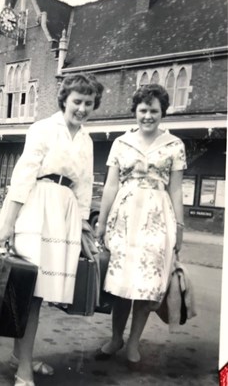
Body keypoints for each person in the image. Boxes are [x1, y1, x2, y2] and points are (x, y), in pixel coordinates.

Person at [0, 73, 104, 386]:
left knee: (40, 294)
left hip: (65, 212)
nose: (82, 108)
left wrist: (84, 226)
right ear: (65, 100)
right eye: (77, 101)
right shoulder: (43, 128)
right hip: (35, 205)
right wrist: (8, 221)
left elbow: (84, 185)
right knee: (31, 291)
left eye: (88, 103)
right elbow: (24, 173)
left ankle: (22, 356)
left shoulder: (86, 140)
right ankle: (23, 369)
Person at [95, 84, 186, 367]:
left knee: (146, 285)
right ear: (135, 111)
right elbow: (110, 186)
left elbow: (177, 190)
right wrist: (101, 221)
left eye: (154, 111)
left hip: (158, 219)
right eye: (143, 110)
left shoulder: (174, 145)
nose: (148, 116)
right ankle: (116, 338)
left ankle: (134, 342)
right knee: (121, 284)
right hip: (123, 218)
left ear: (163, 113)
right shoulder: (121, 143)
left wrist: (180, 227)